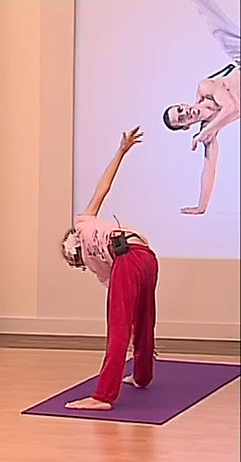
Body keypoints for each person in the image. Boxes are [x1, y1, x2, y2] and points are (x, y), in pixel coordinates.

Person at [60, 127, 159, 411]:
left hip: (131, 257)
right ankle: (142, 375)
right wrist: (122, 151)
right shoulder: (95, 259)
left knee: (120, 328)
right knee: (142, 318)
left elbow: (103, 187)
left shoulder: (83, 223)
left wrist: (121, 151)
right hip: (145, 256)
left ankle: (103, 396)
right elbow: (102, 189)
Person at [162, 0, 240, 215]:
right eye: (182, 119)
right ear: (186, 126)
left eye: (180, 109)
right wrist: (201, 207)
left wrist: (205, 133)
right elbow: (209, 168)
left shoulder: (205, 87)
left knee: (219, 30)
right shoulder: (208, 131)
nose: (185, 113)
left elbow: (231, 107)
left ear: (183, 104)